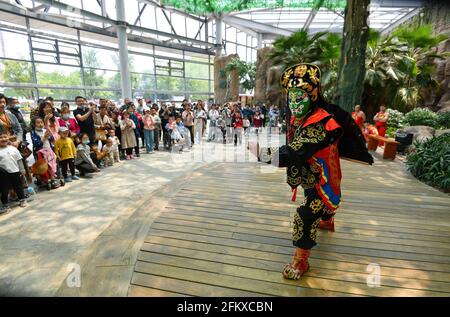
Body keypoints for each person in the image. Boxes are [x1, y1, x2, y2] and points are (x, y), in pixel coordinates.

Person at [256, 63, 373, 280]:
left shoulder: (321, 123)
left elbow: (294, 153)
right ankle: (327, 220)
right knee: (314, 198)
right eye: (291, 98)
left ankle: (301, 261)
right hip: (311, 173)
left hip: (324, 177)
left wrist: (261, 153)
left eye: (300, 98)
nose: (295, 103)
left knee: (305, 215)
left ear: (313, 95)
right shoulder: (299, 118)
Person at [0, 133, 27, 213]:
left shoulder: (13, 149)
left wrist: (22, 169)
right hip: (3, 174)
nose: (3, 139)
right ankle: (5, 204)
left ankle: (22, 199)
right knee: (4, 189)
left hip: (14, 171)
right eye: (0, 137)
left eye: (5, 137)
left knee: (18, 186)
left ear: (8, 138)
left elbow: (19, 160)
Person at [31, 117, 58, 188]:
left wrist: (48, 133)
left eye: (41, 122)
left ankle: (53, 178)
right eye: (38, 122)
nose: (40, 124)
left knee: (51, 165)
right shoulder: (33, 133)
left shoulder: (45, 130)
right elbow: (37, 144)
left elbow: (52, 139)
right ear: (34, 124)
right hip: (40, 152)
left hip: (49, 150)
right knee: (44, 166)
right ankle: (46, 179)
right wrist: (44, 138)